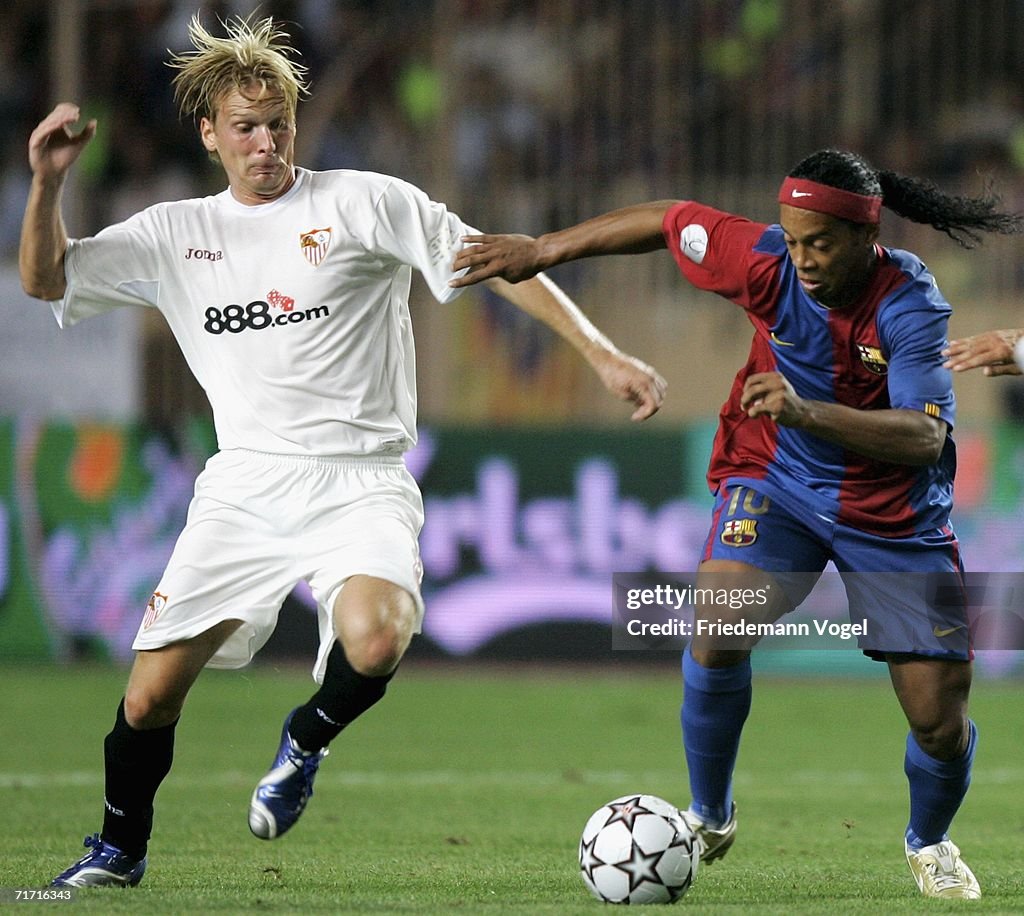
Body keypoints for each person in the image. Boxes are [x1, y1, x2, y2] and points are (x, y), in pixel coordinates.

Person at [21, 15, 666, 889]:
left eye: (279, 120)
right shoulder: (173, 233)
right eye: (245, 127)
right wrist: (48, 185)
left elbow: (500, 263)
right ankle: (117, 852)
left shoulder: (364, 203)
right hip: (244, 486)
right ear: (210, 135)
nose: (266, 142)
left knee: (377, 636)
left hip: (361, 480)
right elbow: (47, 279)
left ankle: (305, 739)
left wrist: (603, 353)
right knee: (148, 698)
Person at [450, 148, 1024, 900]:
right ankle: (710, 813)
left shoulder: (907, 303)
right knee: (718, 619)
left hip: (892, 515)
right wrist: (542, 250)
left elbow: (925, 438)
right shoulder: (763, 262)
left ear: (864, 234)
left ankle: (930, 841)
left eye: (819, 242)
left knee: (936, 717)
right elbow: (666, 219)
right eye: (792, 239)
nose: (803, 258)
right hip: (777, 481)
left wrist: (805, 409)